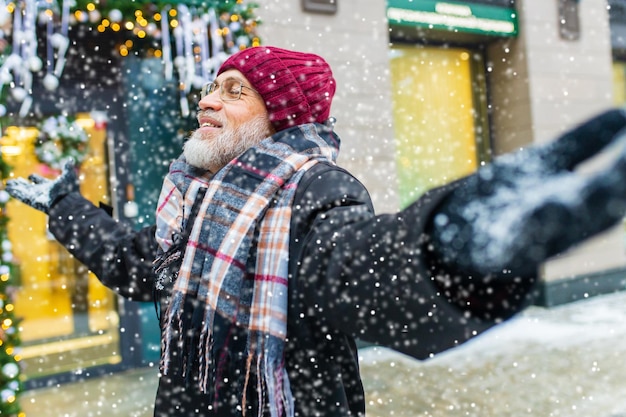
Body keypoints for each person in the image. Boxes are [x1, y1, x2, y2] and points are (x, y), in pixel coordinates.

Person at [6, 45, 626, 417]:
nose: (207, 101)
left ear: (280, 117)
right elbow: (141, 265)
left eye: (233, 91)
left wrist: (442, 251)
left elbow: (351, 262)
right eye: (210, 88)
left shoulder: (316, 190)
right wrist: (66, 207)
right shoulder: (203, 199)